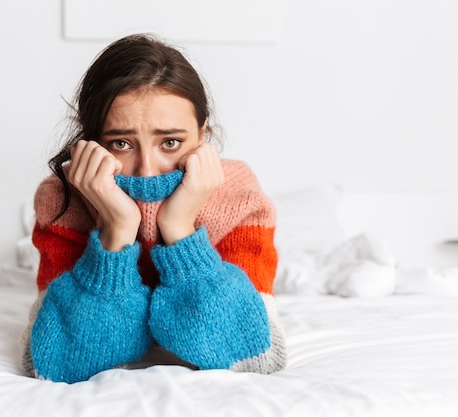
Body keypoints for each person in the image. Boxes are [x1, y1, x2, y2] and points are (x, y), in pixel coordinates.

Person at [20, 34, 287, 383]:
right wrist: (117, 230)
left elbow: (258, 357)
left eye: (171, 142)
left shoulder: (239, 199)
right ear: (90, 143)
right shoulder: (62, 200)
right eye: (121, 143)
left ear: (202, 135)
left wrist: (179, 229)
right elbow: (53, 363)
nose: (147, 170)